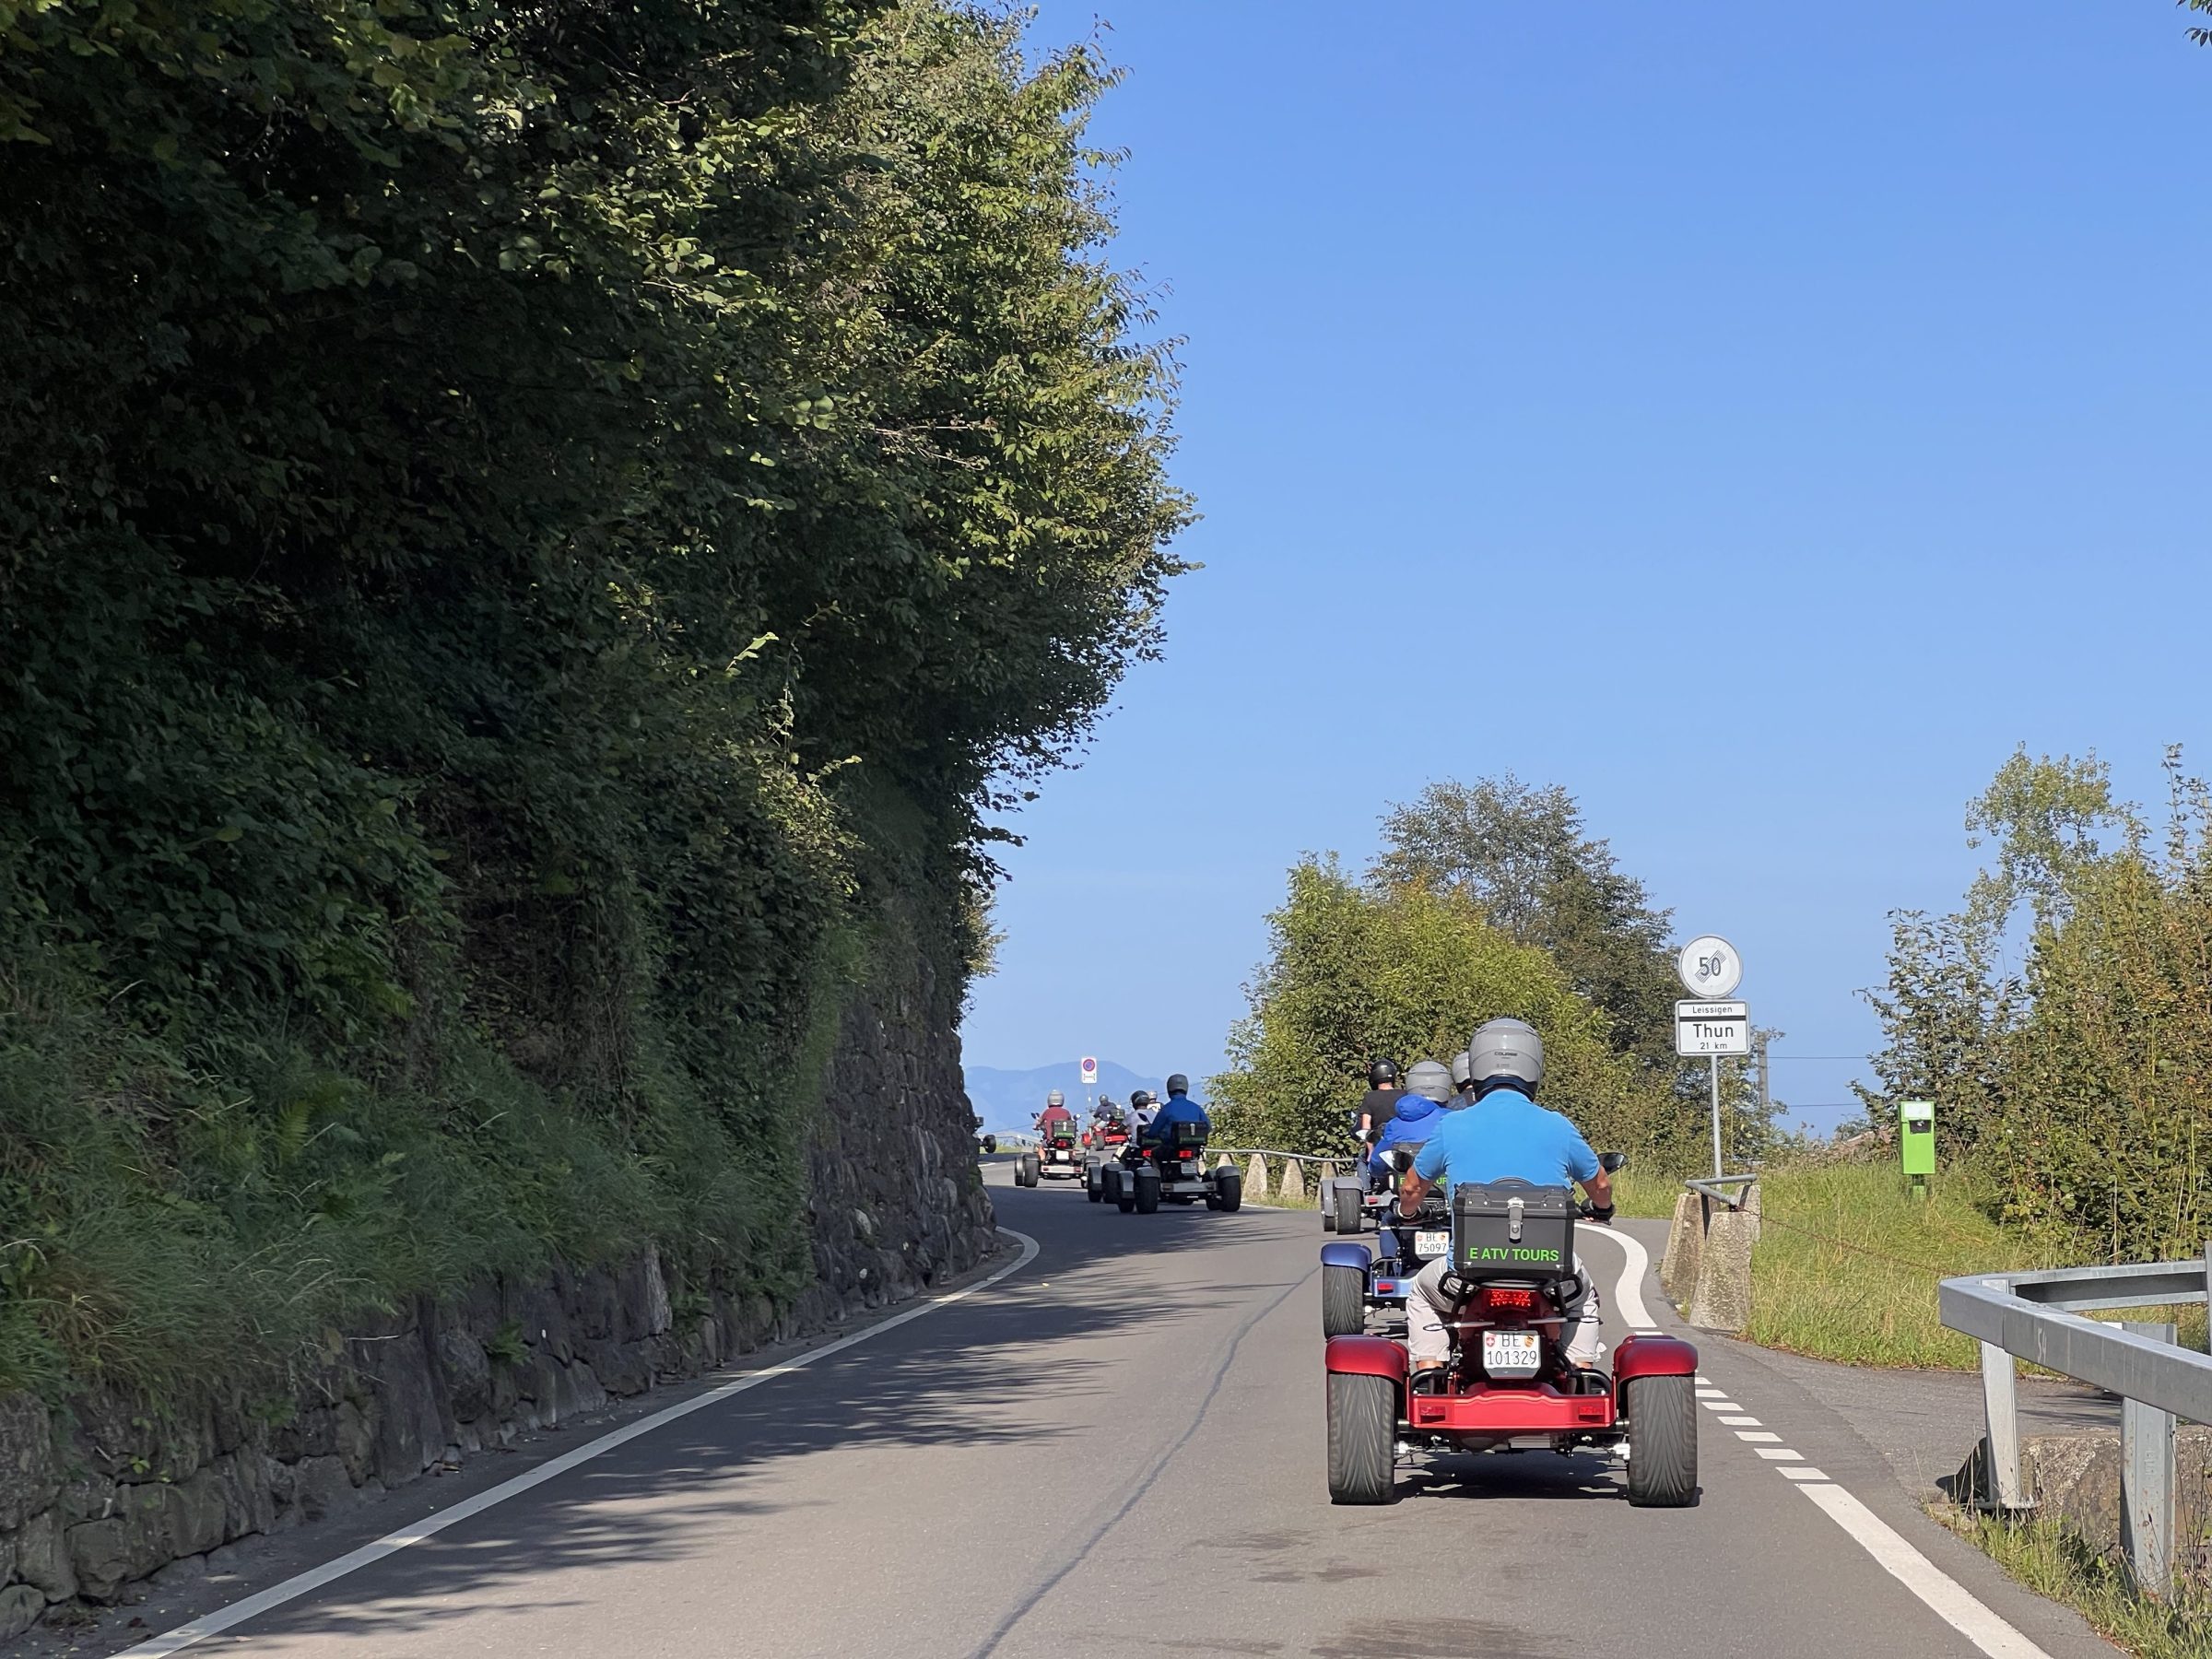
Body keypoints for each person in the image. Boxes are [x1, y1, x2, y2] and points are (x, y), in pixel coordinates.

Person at [1393, 1018, 1614, 1380]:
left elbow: (1413, 1188)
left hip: (1465, 1277)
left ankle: (1430, 1377)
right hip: (1549, 1274)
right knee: (1582, 1301)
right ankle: (1581, 1373)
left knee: (1421, 1294)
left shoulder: (1452, 1125)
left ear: (1478, 1068)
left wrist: (1407, 1212)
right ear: (1533, 1068)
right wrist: (1602, 1209)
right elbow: (1600, 1186)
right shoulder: (1558, 1125)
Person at [1370, 1059, 1451, 1181]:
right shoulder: (1454, 1118)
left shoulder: (1394, 1125)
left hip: (1408, 1190)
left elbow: (1377, 1162)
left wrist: (1375, 1171)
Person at [1139, 1074, 1210, 1152]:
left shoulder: (1166, 1109)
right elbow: (1208, 1128)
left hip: (1171, 1150)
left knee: (1153, 1154)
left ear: (1169, 1089)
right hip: (1194, 1150)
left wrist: (1149, 1134)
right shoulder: (1197, 1108)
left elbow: (1153, 1132)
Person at [1353, 1058, 1405, 1145]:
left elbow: (1366, 1129)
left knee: (1362, 1158)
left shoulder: (1370, 1097)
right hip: (1402, 1143)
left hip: (1380, 1144)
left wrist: (1370, 1152)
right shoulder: (1404, 1095)